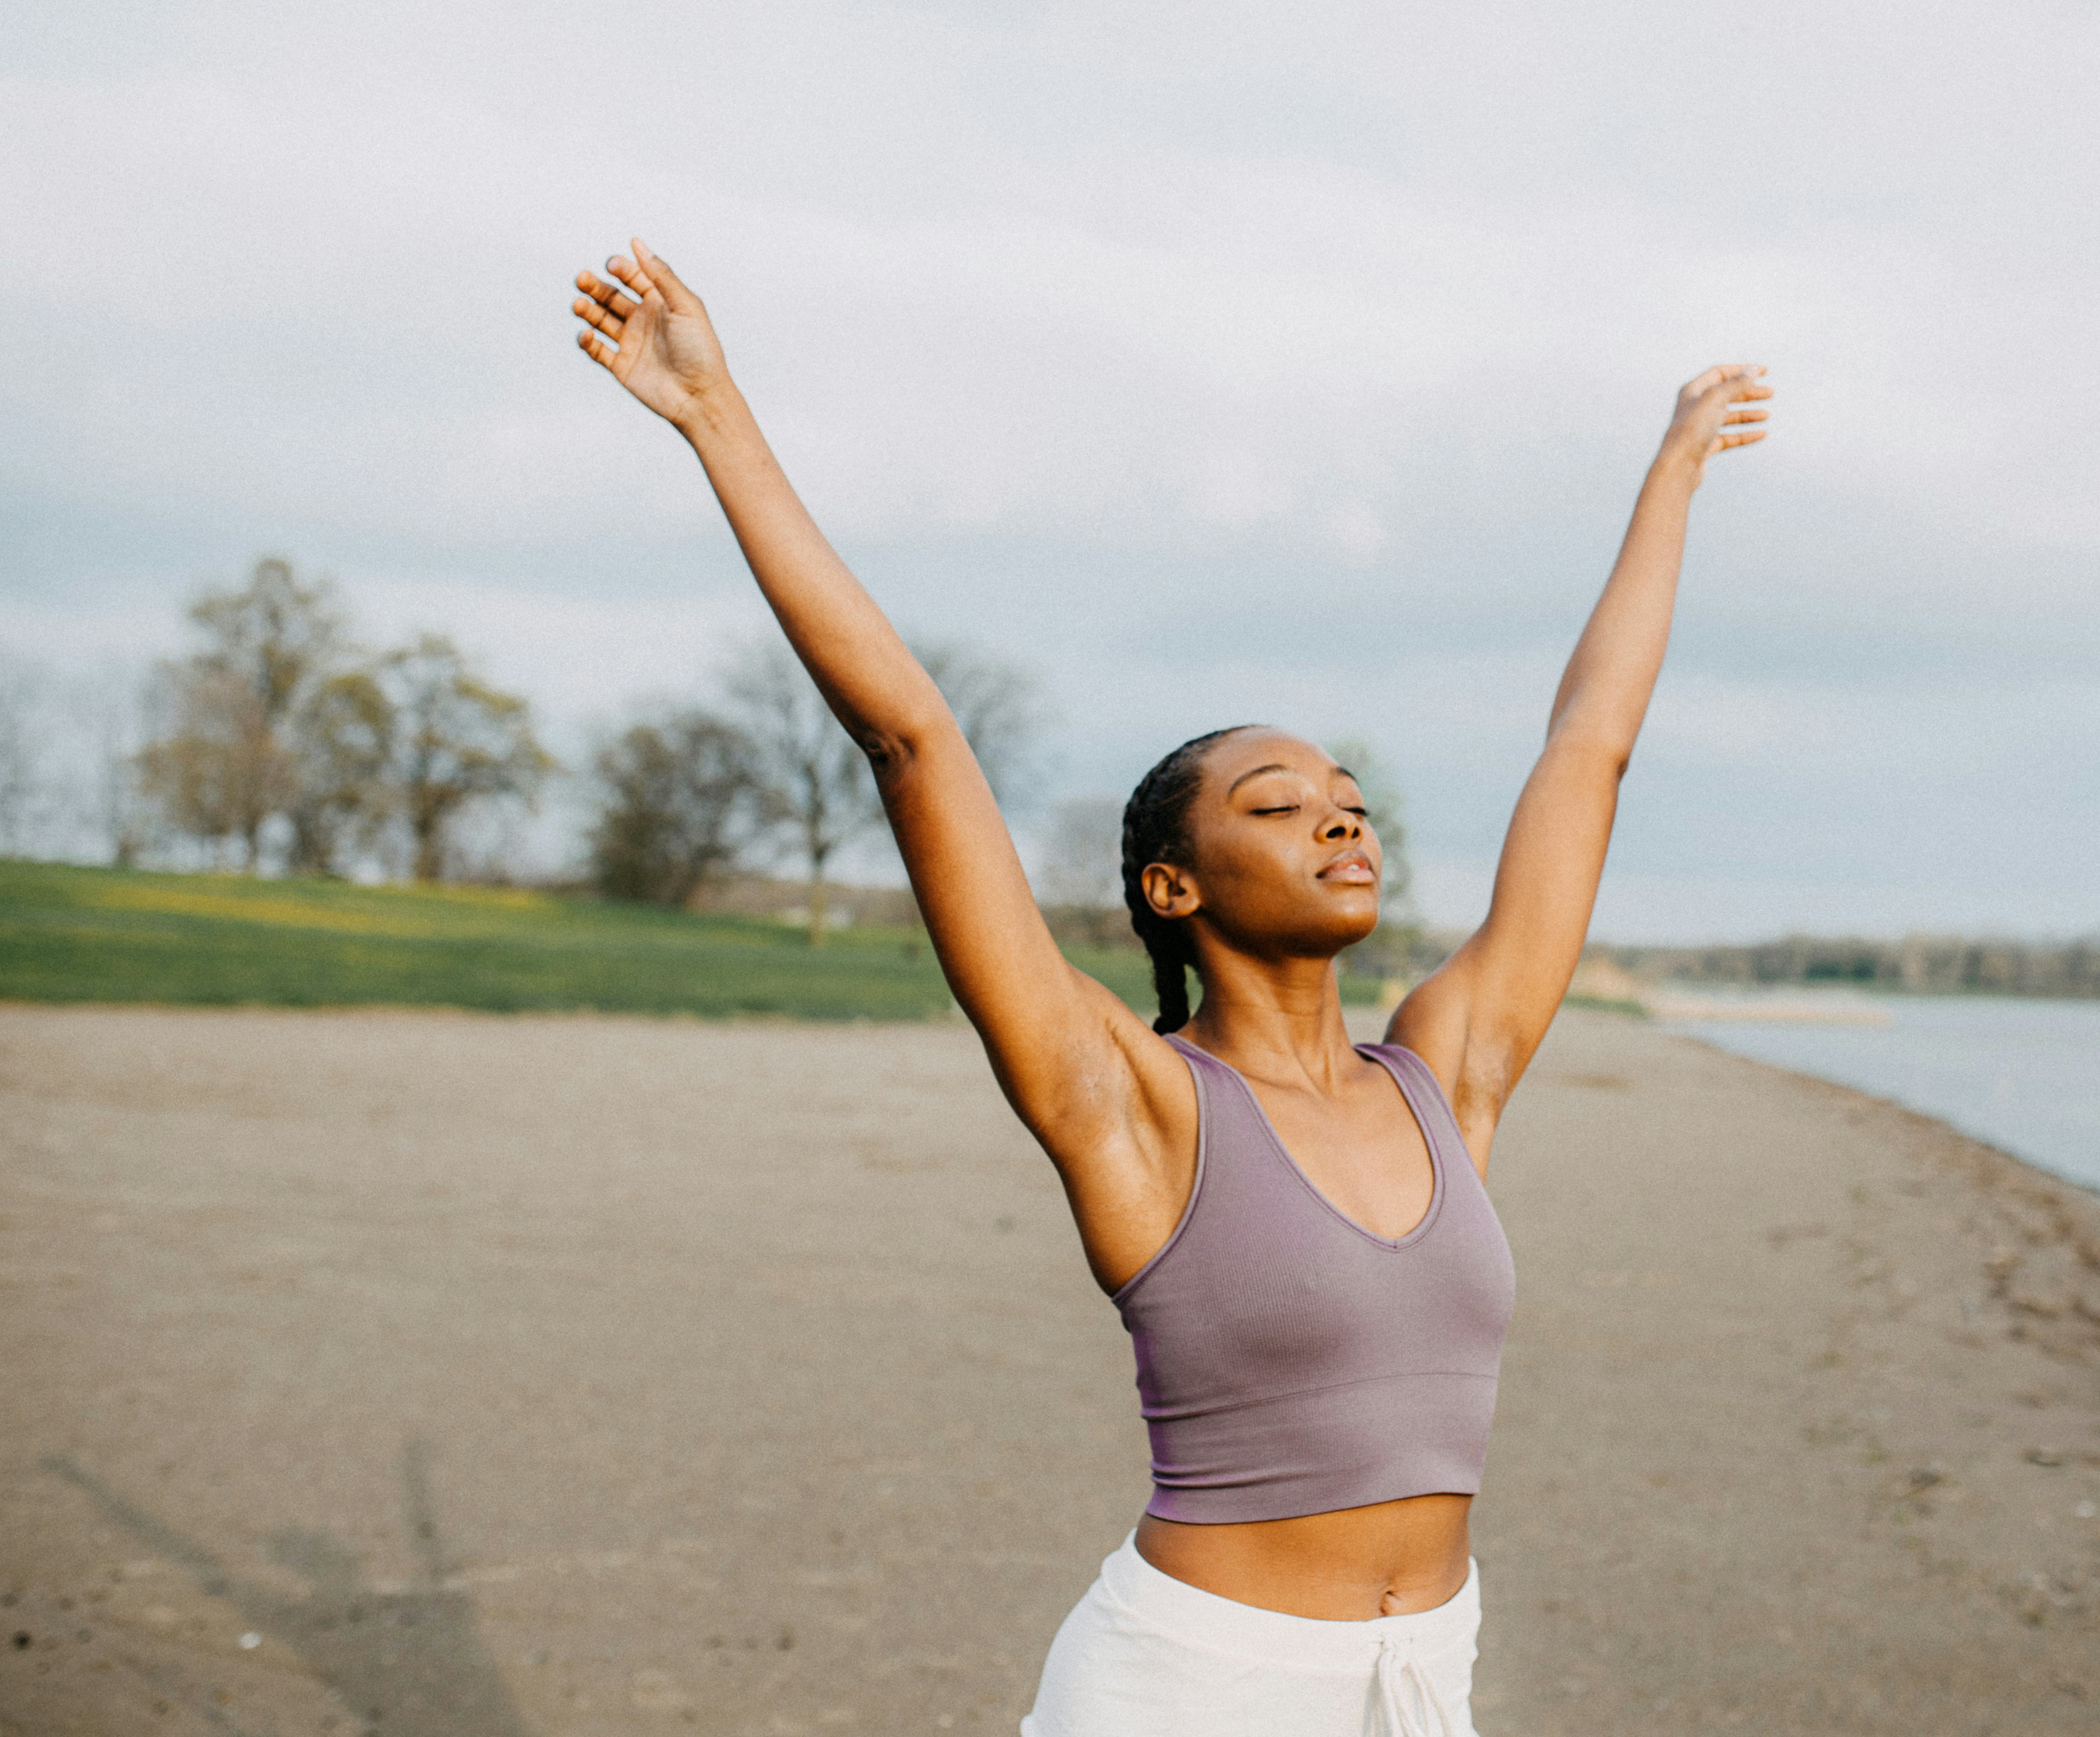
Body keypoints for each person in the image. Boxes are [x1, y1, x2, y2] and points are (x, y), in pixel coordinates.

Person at [569, 238, 1771, 1737]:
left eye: (1346, 797)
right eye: (1276, 805)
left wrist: (1672, 475)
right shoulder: (1132, 1105)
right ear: (1171, 888)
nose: (1339, 817)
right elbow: (915, 743)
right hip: (1194, 1688)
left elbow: (1589, 748)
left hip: (1426, 1680)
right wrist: (717, 420)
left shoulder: (1445, 1079)